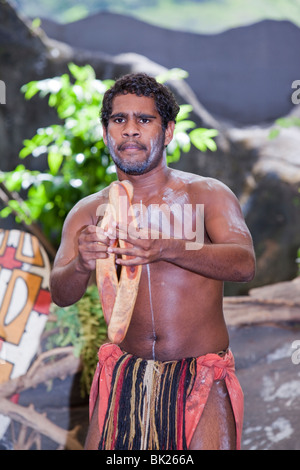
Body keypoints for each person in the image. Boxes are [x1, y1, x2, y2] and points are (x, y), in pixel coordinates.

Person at [50, 73, 255, 450]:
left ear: (169, 130)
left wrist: (166, 247)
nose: (130, 131)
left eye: (144, 120)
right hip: (124, 373)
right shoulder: (88, 212)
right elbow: (61, 294)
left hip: (200, 377)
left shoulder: (206, 195)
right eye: (119, 120)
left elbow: (244, 263)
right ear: (105, 131)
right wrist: (80, 263)